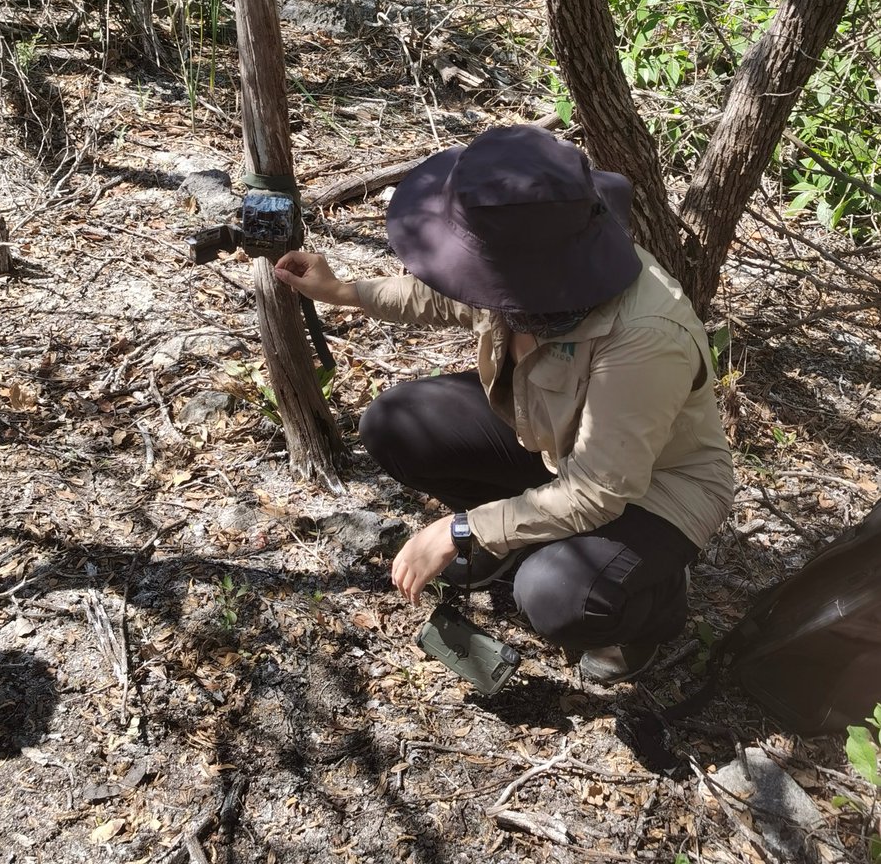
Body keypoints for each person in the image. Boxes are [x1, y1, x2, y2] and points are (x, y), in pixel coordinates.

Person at [274, 125, 733, 684]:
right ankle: (515, 539)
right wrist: (345, 291)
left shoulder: (644, 335)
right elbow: (443, 295)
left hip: (657, 489)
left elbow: (600, 489)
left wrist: (460, 530)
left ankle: (651, 609)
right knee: (395, 423)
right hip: (547, 439)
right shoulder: (532, 266)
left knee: (554, 594)